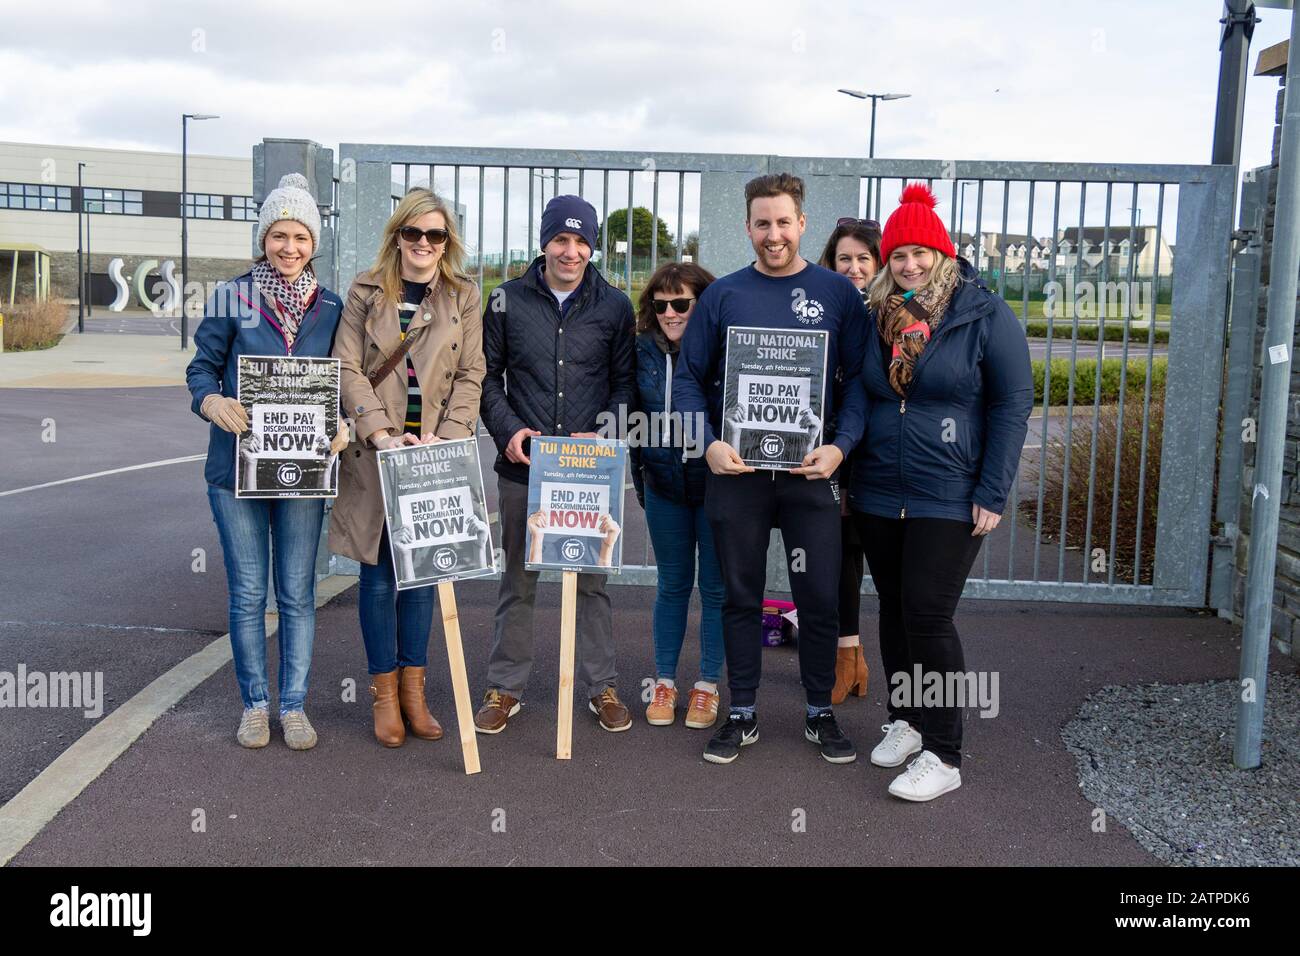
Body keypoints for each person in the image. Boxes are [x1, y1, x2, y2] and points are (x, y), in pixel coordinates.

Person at [673, 173, 868, 765]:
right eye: (762, 223)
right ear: (748, 228)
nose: (773, 234)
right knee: (739, 594)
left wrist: (842, 446)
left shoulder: (837, 295)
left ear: (802, 223)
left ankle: (818, 712)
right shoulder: (724, 296)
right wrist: (705, 442)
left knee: (819, 595)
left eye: (783, 222)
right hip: (738, 475)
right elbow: (686, 379)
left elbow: (862, 382)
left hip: (811, 474)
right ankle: (741, 711)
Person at [849, 183, 1032, 801]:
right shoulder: (876, 317)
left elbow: (1012, 402)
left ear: (943, 254)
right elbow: (861, 395)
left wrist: (993, 489)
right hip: (878, 490)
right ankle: (906, 720)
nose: (909, 265)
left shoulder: (982, 314)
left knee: (929, 613)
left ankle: (945, 752)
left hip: (949, 493)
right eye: (898, 254)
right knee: (896, 610)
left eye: (921, 252)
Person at [186, 172, 346, 751]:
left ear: (314, 243)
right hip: (236, 470)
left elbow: (344, 379)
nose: (289, 247)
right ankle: (255, 704)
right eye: (279, 235)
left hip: (303, 472)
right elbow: (200, 365)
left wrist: (345, 423)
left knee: (298, 594)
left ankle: (295, 705)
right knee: (249, 592)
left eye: (300, 236)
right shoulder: (232, 296)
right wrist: (212, 400)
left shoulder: (331, 305)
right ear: (263, 238)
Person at [329, 188, 485, 748]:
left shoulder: (463, 295)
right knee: (377, 574)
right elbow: (345, 366)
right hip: (377, 454)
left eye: (435, 235)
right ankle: (385, 696)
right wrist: (380, 432)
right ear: (397, 236)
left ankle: (417, 694)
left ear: (447, 243)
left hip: (435, 455)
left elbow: (471, 372)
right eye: (412, 233)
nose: (423, 244)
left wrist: (446, 436)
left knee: (424, 572)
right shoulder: (365, 290)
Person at [476, 194, 636, 734]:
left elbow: (625, 383)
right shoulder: (503, 300)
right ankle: (504, 688)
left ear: (592, 246)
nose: (571, 252)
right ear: (544, 242)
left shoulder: (615, 306)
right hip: (525, 466)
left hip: (589, 471)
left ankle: (602, 686)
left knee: (591, 580)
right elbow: (485, 378)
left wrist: (608, 428)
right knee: (519, 579)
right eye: (561, 240)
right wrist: (508, 430)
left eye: (581, 241)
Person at [630, 261, 725, 730]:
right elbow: (628, 417)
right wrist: (642, 474)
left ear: (701, 303)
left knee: (715, 588)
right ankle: (663, 680)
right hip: (664, 484)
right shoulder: (641, 349)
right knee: (671, 584)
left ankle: (707, 686)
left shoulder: (724, 348)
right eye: (661, 304)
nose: (670, 312)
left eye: (681, 303)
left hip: (715, 488)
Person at [818, 218, 882, 704]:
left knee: (882, 561)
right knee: (838, 557)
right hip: (835, 449)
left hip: (883, 450)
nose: (854, 268)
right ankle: (847, 656)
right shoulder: (823, 308)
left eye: (864, 258)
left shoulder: (894, 312)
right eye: (845, 258)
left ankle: (878, 666)